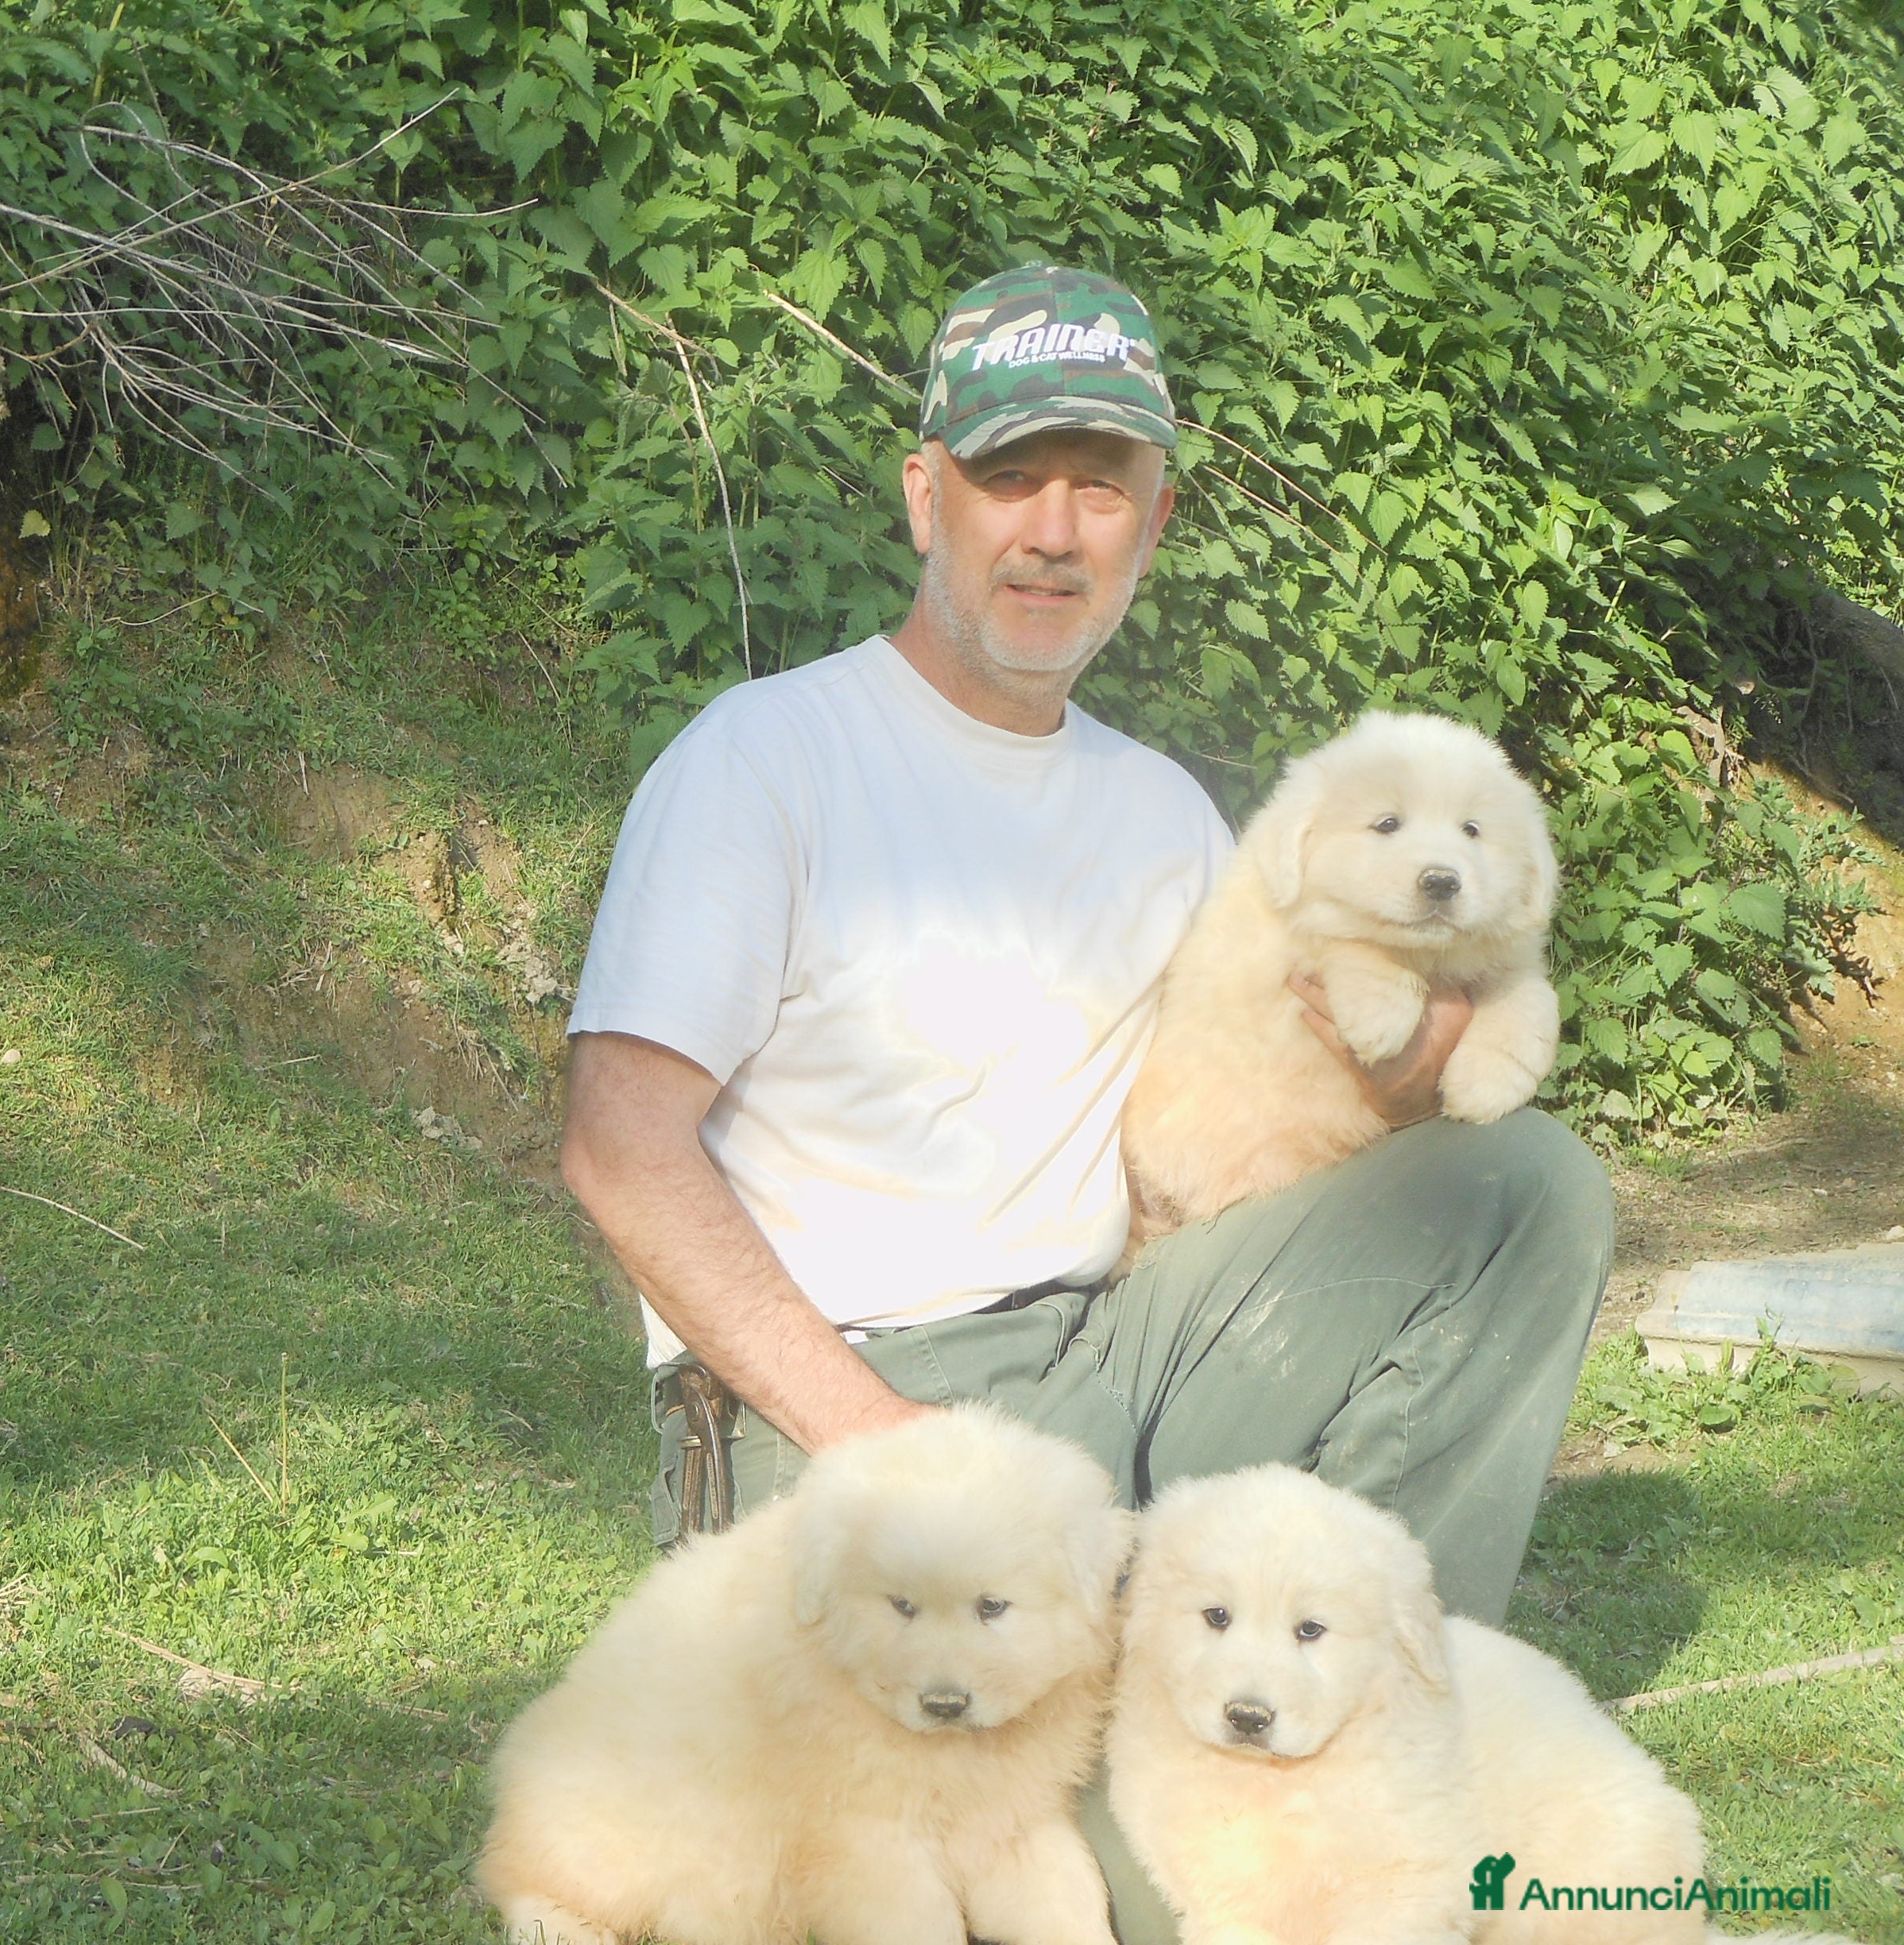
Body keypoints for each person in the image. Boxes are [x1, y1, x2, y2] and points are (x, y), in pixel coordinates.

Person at [558, 263, 1612, 1944]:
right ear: (925, 494)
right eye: (1008, 475)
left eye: (1099, 485)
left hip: (1115, 1347)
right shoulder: (766, 760)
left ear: (1153, 517)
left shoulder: (1164, 816)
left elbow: (1225, 1147)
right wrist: (893, 1450)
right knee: (1105, 1881)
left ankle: (1362, 1717)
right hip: (850, 1409)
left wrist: (1405, 1102)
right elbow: (619, 1148)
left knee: (1522, 1190)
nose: (1052, 530)